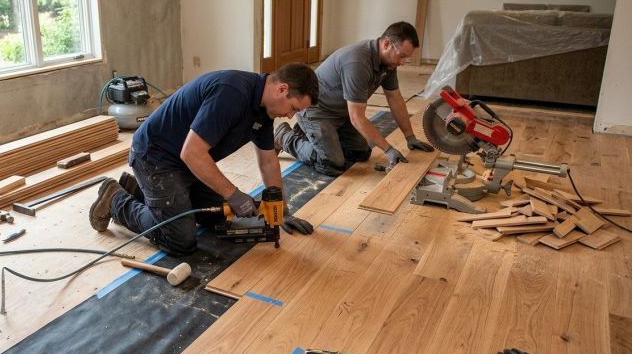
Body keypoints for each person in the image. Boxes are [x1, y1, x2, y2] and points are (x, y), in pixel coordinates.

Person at [89, 63, 319, 256]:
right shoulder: (232, 93)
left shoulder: (264, 111)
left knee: (218, 216)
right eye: (293, 108)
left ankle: (138, 189)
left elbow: (268, 161)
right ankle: (115, 198)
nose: (290, 116)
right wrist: (234, 194)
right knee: (179, 238)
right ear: (282, 89)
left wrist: (282, 209)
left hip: (186, 164)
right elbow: (192, 153)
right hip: (156, 157)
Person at [274, 21, 434, 177]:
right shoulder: (358, 62)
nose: (402, 62)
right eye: (401, 56)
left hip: (341, 113)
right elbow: (356, 117)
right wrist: (388, 150)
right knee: (332, 163)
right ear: (386, 44)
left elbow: (394, 98)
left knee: (361, 153)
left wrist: (410, 137)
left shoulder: (389, 63)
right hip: (316, 111)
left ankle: (312, 135)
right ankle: (285, 136)